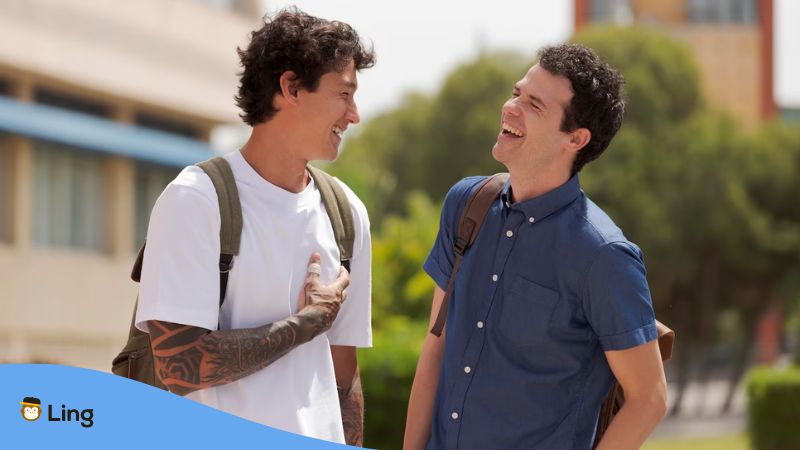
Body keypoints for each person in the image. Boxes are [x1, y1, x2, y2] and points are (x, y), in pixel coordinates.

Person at [404, 43, 667, 450]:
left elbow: (649, 398)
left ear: (575, 138)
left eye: (534, 105)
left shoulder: (604, 256)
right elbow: (436, 347)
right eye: (516, 93)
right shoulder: (466, 205)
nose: (510, 108)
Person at [135, 8, 374, 446]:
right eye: (344, 94)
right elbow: (178, 366)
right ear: (291, 87)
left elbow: (344, 376)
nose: (354, 114)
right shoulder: (195, 199)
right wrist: (305, 324)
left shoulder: (346, 212)